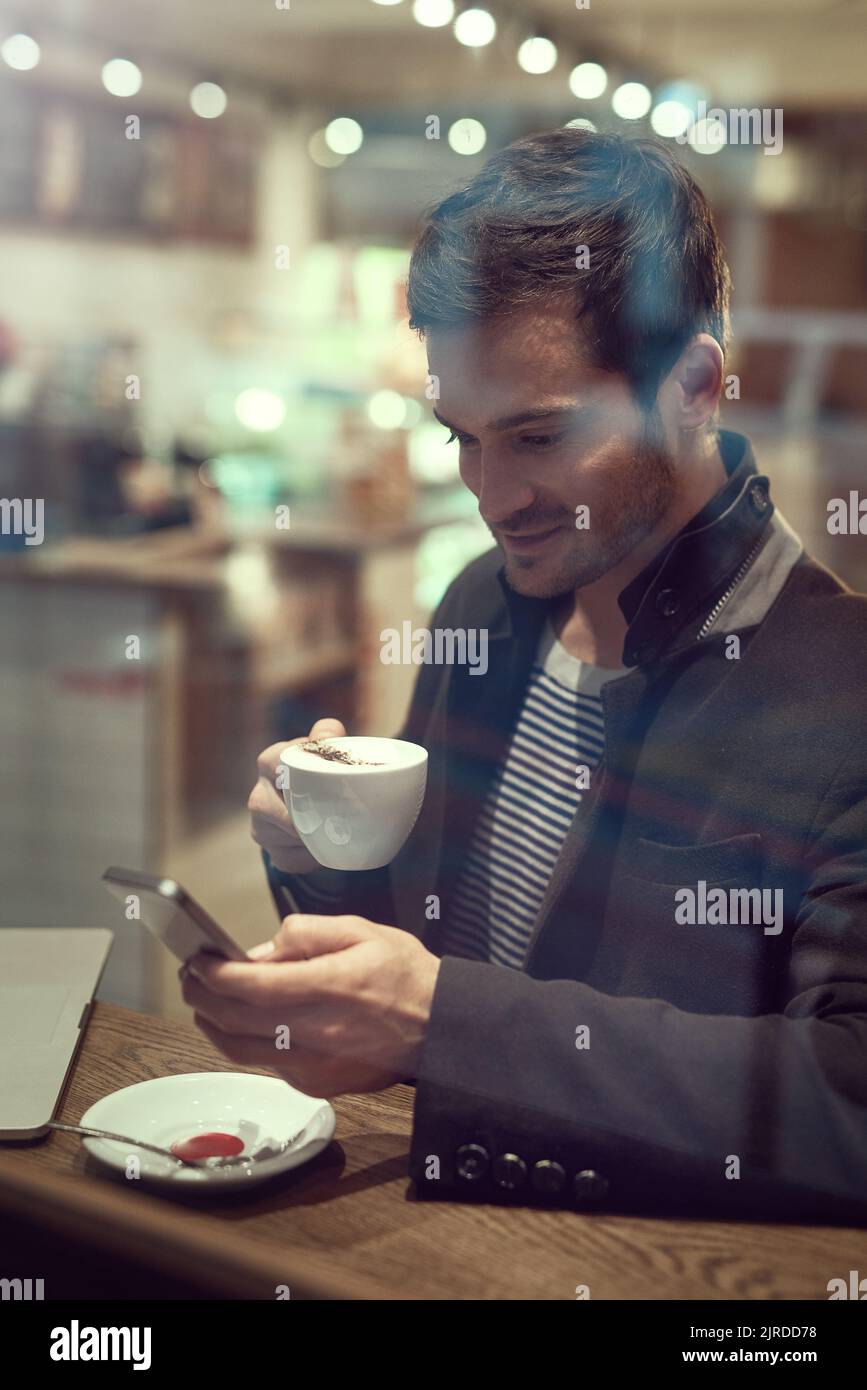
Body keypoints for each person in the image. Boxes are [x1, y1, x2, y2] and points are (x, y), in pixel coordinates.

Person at [181, 129, 867, 1222]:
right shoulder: (479, 609)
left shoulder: (842, 688)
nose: (492, 497)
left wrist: (436, 1023)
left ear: (693, 388)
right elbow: (419, 951)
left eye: (538, 438)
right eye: (462, 437)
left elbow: (847, 1102)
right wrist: (323, 855)